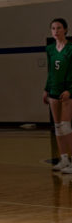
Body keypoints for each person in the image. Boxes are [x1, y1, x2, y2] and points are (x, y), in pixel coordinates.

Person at [44, 18, 72, 172]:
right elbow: (51, 72)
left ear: (66, 30)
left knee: (66, 126)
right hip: (53, 92)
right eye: (53, 28)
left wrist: (70, 90)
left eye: (59, 28)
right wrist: (46, 89)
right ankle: (64, 160)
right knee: (58, 127)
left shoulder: (71, 50)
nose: (56, 31)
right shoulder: (49, 49)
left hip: (67, 92)